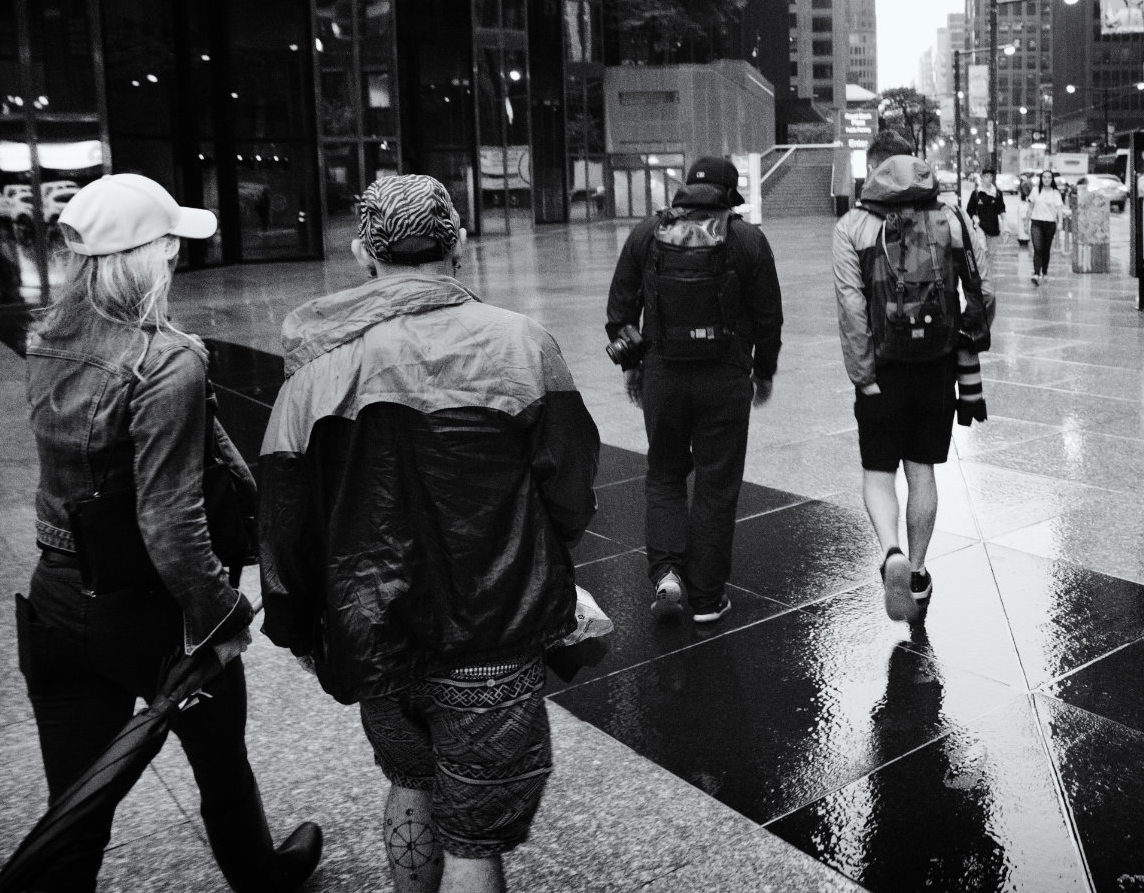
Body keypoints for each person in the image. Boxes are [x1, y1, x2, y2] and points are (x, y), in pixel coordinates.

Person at [259, 175, 599, 893]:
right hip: (493, 635)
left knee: (409, 777)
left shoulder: (315, 367)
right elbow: (569, 490)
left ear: (364, 254)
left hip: (374, 632)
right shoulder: (522, 345)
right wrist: (545, 557)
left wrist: (299, 625)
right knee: (474, 838)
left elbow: (285, 518)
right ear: (460, 245)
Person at [18, 173, 322, 893]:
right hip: (156, 616)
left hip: (56, 600)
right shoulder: (166, 360)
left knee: (76, 813)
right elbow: (170, 521)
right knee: (221, 766)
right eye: (169, 245)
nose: (176, 257)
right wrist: (223, 615)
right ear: (145, 258)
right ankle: (263, 877)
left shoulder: (46, 341)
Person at [605, 156, 783, 624]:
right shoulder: (746, 239)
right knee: (716, 485)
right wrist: (763, 374)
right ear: (730, 194)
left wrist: (632, 368)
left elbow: (620, 309)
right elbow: (769, 318)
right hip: (725, 379)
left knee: (664, 474)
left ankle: (667, 572)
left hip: (662, 375)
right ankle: (707, 598)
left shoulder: (648, 233)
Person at [834, 130, 994, 621]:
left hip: (882, 371)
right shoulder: (953, 217)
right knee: (921, 471)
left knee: (878, 473)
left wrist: (864, 375)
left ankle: (891, 554)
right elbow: (984, 291)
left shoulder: (853, 225)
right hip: (937, 366)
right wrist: (966, 339)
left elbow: (851, 307)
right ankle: (919, 572)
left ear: (874, 168)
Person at [1027, 170, 1065, 284]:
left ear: (1052, 179)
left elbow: (1059, 209)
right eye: (1044, 177)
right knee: (1037, 248)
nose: (1046, 179)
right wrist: (1026, 222)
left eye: (1049, 177)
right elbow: (1030, 207)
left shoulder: (1055, 193)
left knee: (1046, 249)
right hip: (1036, 223)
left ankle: (1044, 272)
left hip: (1050, 224)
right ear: (1041, 179)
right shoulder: (1035, 191)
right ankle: (1036, 274)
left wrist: (1060, 222)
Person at [964, 171, 1006, 271]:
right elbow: (969, 210)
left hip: (993, 227)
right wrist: (975, 219)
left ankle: (988, 272)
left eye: (991, 176)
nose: (989, 178)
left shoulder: (997, 193)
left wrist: (1005, 224)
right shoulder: (976, 193)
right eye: (986, 176)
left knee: (991, 253)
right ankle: (982, 272)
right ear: (982, 178)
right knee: (981, 250)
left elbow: (1001, 209)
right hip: (980, 227)